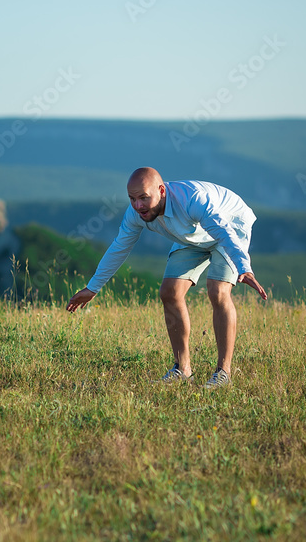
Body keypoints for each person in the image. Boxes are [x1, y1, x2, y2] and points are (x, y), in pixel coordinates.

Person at [66, 167, 267, 389]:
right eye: (132, 199)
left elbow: (223, 232)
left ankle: (223, 373)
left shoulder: (194, 200)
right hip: (191, 236)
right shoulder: (136, 214)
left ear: (161, 191)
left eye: (144, 198)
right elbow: (119, 248)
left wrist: (243, 267)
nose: (138, 206)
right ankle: (182, 370)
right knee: (169, 292)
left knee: (218, 291)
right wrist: (93, 288)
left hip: (230, 227)